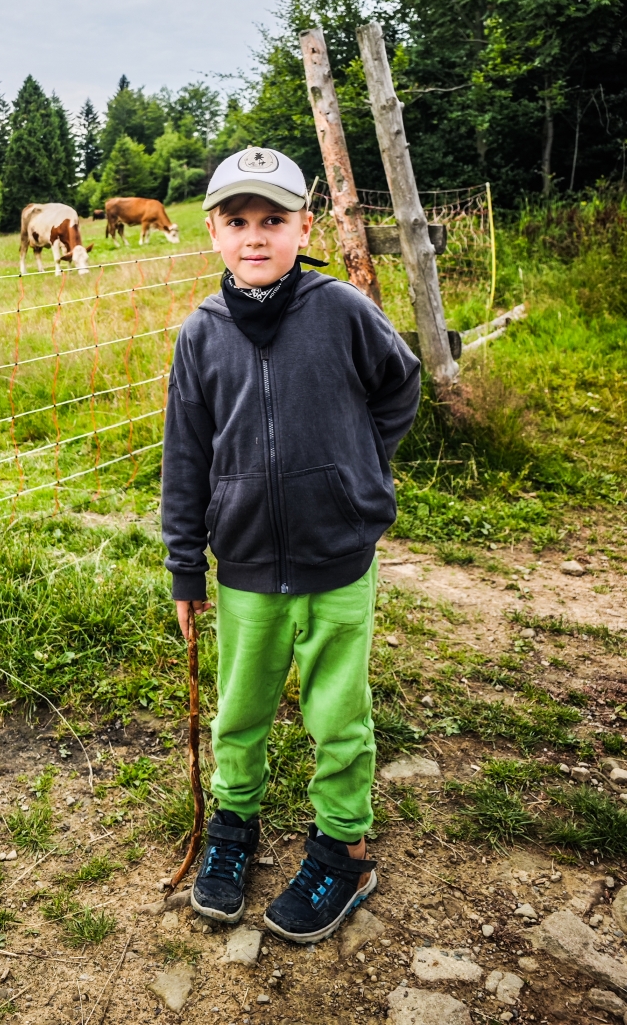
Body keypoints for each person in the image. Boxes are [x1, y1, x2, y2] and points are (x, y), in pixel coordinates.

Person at [161, 146, 421, 942]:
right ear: (213, 232)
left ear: (303, 228)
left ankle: (344, 849)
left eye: (272, 219)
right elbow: (185, 456)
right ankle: (232, 828)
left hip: (336, 558)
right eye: (237, 221)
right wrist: (184, 566)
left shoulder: (340, 309)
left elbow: (400, 381)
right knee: (239, 710)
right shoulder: (200, 334)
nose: (254, 236)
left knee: (337, 714)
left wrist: (357, 463)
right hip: (242, 566)